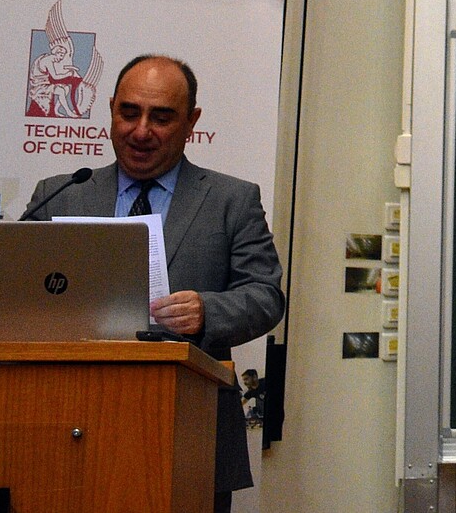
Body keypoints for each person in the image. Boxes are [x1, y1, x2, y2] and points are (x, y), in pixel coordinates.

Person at [22, 55, 284, 512]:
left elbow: (265, 296)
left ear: (191, 122)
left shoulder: (232, 200)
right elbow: (23, 297)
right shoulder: (60, 194)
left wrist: (206, 311)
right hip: (67, 420)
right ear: (110, 109)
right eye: (129, 113)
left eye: (161, 118)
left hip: (189, 427)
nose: (140, 131)